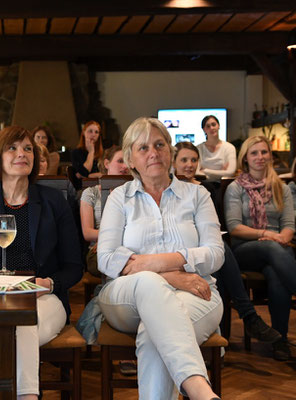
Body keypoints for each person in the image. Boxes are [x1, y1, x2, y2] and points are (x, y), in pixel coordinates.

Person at [98, 117, 224, 400]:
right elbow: (106, 260)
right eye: (143, 148)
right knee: (149, 286)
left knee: (154, 334)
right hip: (125, 297)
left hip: (198, 293)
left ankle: (196, 389)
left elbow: (216, 254)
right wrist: (171, 275)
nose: (153, 153)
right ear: (130, 159)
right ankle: (200, 390)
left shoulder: (197, 195)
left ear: (170, 151)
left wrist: (152, 263)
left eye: (159, 144)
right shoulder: (119, 198)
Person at [0, 126, 83, 399]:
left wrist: (49, 283)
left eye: (28, 148)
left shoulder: (54, 202)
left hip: (44, 299)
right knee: (7, 325)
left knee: (20, 321)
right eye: (13, 148)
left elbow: (75, 266)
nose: (22, 154)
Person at [173, 141, 281, 346]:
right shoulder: (168, 188)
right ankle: (248, 315)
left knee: (219, 256)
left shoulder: (204, 189)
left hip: (204, 245)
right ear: (173, 162)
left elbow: (211, 225)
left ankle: (221, 343)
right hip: (179, 246)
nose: (189, 164)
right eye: (184, 160)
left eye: (194, 160)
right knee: (220, 249)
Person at [224, 135, 296, 361]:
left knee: (276, 274)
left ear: (270, 156)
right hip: (246, 250)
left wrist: (281, 237)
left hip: (278, 248)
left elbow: (289, 226)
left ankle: (279, 340)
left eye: (264, 152)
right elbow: (235, 228)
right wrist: (267, 235)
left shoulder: (281, 188)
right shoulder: (235, 188)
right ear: (245, 158)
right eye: (254, 153)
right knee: (275, 250)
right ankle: (280, 340)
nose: (260, 157)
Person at [79, 145, 129, 276]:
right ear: (107, 163)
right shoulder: (91, 193)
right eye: (120, 161)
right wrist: (107, 240)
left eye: (127, 161)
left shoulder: (134, 191)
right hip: (99, 247)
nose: (125, 166)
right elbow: (88, 233)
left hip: (129, 246)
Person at [197, 115, 236, 181]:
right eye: (208, 126)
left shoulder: (229, 148)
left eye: (213, 124)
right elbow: (196, 173)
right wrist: (222, 173)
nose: (211, 128)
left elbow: (231, 172)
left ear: (219, 126)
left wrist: (206, 171)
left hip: (223, 185)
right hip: (203, 185)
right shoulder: (198, 149)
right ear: (204, 129)